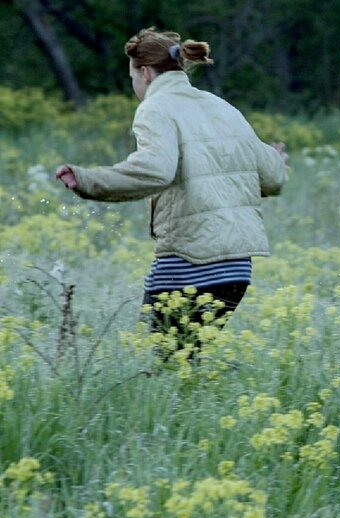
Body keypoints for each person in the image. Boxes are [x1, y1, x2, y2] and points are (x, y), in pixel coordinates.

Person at [55, 27, 288, 350]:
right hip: (237, 269)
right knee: (183, 364)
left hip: (188, 260)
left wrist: (88, 181)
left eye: (133, 78)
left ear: (146, 73)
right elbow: (273, 176)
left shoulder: (156, 108)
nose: (135, 86)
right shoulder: (223, 108)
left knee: (153, 364)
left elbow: (155, 171)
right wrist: (276, 159)